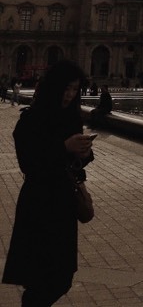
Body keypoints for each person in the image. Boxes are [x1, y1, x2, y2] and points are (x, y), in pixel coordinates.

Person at [2, 59, 94, 306]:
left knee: (62, 276)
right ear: (54, 88)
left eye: (75, 89)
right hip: (39, 205)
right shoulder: (30, 119)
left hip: (64, 205)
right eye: (66, 88)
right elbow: (28, 164)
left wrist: (83, 154)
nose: (70, 94)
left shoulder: (71, 119)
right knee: (41, 277)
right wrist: (64, 147)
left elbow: (75, 164)